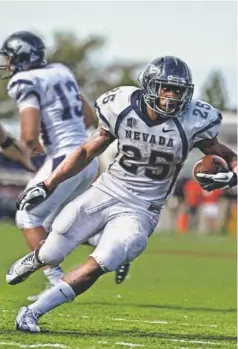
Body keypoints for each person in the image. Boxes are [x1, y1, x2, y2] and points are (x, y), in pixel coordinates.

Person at [6, 56, 237, 333]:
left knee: (106, 259)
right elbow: (86, 151)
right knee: (55, 249)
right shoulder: (121, 106)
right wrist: (47, 184)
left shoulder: (194, 121)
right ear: (150, 86)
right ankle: (39, 258)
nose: (172, 96)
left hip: (142, 208)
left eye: (178, 90)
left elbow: (229, 157)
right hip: (106, 190)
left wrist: (231, 176)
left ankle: (33, 311)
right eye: (166, 88)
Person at [0, 30, 99, 301]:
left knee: (26, 215)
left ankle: (56, 282)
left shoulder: (23, 80)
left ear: (20, 58)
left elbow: (29, 134)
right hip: (87, 156)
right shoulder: (60, 70)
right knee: (51, 220)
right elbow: (89, 117)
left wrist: (28, 148)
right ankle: (102, 243)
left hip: (62, 159)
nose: (6, 64)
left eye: (8, 57)